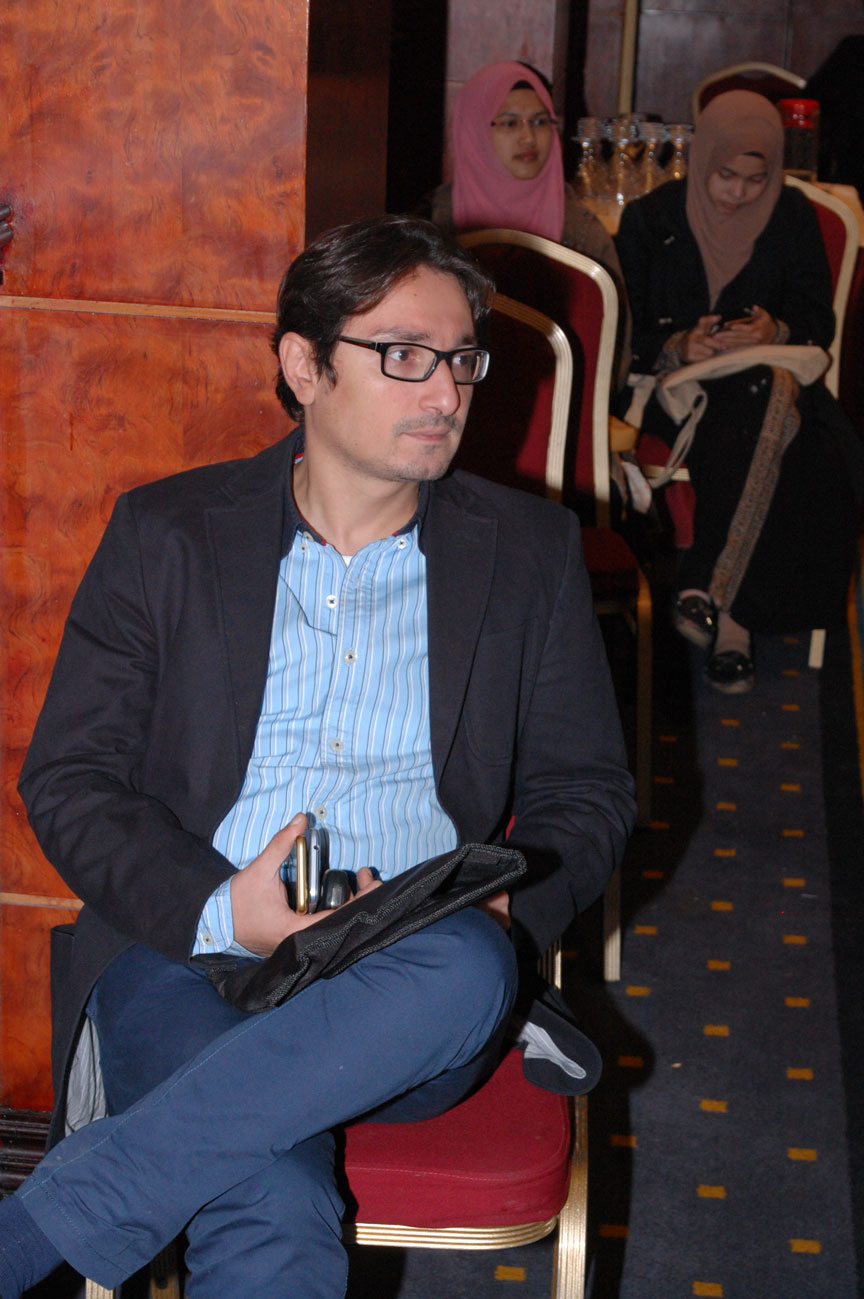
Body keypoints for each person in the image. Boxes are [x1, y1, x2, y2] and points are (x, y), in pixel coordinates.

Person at [0, 215, 635, 1298]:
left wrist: (500, 910)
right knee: (273, 1204)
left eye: (462, 361)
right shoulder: (167, 534)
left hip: (410, 976)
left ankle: (34, 1233)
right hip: (184, 954)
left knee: (471, 965)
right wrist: (223, 909)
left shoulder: (526, 555)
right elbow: (70, 778)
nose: (446, 393)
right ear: (303, 365)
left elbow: (588, 792)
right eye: (404, 356)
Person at [615, 90, 863, 694]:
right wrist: (679, 344)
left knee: (768, 393)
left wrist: (774, 330)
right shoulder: (651, 219)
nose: (740, 193)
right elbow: (624, 330)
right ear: (703, 159)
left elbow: (817, 319)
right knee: (777, 408)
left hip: (762, 386)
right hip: (678, 395)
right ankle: (729, 618)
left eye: (757, 179)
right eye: (726, 175)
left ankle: (713, 598)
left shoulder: (792, 214)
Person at [419, 60, 624, 281]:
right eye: (510, 123)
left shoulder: (583, 232)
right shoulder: (428, 226)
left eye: (540, 122)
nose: (529, 138)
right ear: (474, 132)